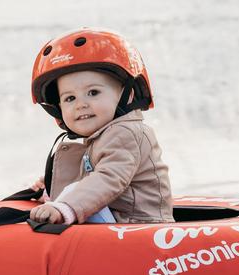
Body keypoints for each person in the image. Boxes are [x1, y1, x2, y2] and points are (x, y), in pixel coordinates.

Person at [28, 28, 174, 225]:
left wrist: (65, 206)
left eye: (93, 92)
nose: (81, 104)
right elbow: (90, 177)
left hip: (139, 225)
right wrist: (50, 187)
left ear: (127, 95)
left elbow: (108, 178)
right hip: (119, 221)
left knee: (72, 195)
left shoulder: (125, 133)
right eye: (70, 98)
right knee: (70, 192)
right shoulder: (102, 137)